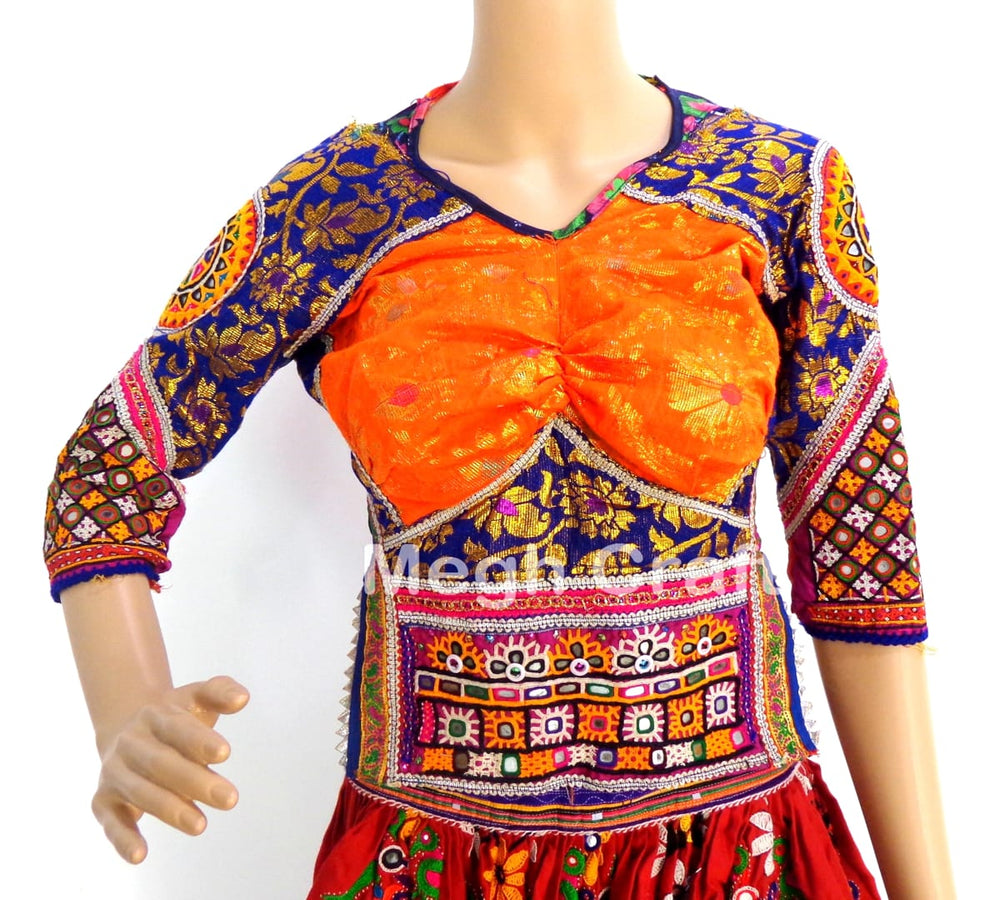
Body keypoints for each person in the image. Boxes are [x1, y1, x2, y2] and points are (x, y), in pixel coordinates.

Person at [44, 1, 955, 897]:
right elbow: (110, 464)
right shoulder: (332, 206)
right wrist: (123, 706)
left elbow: (862, 552)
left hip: (733, 860)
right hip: (430, 863)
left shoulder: (779, 185)